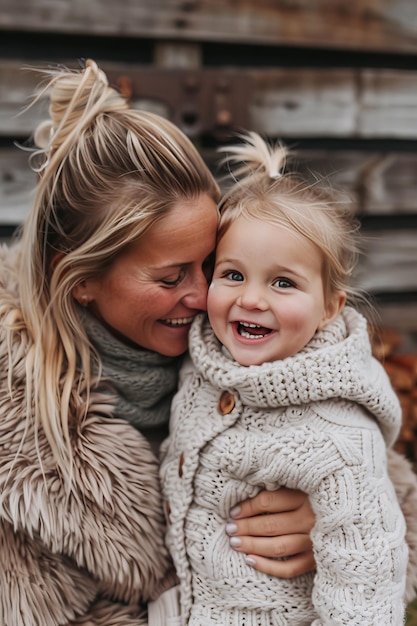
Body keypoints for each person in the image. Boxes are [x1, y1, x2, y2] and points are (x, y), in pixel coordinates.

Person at [0, 60, 415, 625]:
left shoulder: (255, 358)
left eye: (212, 265)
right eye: (171, 279)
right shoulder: (21, 436)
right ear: (82, 282)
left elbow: (376, 506)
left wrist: (329, 526)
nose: (206, 297)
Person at [160, 132, 412, 624]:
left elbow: (366, 582)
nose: (252, 299)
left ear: (329, 308)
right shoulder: (203, 358)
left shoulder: (337, 437)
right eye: (232, 274)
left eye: (283, 282)